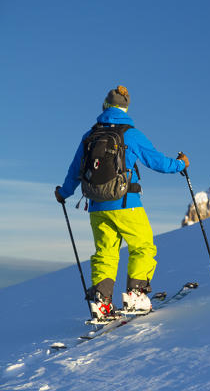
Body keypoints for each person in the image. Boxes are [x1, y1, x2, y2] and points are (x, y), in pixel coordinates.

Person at [55, 85, 189, 320]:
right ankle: (136, 294)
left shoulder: (90, 136)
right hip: (127, 203)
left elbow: (75, 171)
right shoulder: (131, 134)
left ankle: (102, 302)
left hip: (96, 206)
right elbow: (158, 162)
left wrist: (63, 194)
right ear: (125, 108)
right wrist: (181, 164)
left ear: (105, 107)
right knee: (143, 246)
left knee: (105, 253)